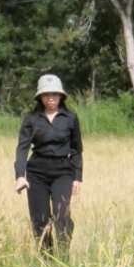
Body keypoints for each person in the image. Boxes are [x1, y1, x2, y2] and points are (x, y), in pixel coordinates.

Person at [14, 74, 83, 254]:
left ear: (61, 96)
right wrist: (20, 176)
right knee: (40, 220)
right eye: (46, 95)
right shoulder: (31, 119)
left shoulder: (70, 118)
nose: (51, 98)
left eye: (54, 94)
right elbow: (22, 149)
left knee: (61, 216)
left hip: (63, 172)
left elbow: (76, 148)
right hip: (37, 173)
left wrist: (77, 177)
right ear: (40, 97)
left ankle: (64, 256)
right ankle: (47, 259)